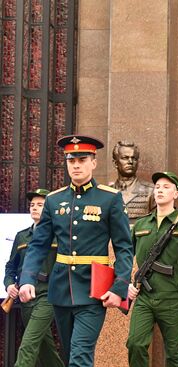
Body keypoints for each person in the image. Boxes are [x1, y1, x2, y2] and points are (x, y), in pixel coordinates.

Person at [18, 135, 134, 367]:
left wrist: (119, 287)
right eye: (72, 161)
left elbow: (123, 247)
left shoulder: (109, 199)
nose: (77, 165)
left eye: (82, 159)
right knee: (72, 353)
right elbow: (39, 245)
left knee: (80, 354)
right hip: (61, 289)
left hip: (94, 291)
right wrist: (27, 279)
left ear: (94, 162)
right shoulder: (53, 200)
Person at [126, 171, 178, 367]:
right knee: (135, 344)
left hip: (173, 298)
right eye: (157, 186)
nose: (160, 190)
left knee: (176, 354)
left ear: (176, 194)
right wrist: (126, 283)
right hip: (145, 297)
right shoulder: (142, 224)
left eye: (166, 187)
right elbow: (125, 255)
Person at [3, 189, 64, 367]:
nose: (34, 208)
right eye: (32, 205)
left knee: (28, 345)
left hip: (48, 296)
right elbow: (10, 267)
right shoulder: (22, 236)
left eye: (40, 205)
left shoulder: (59, 235)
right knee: (46, 350)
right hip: (25, 299)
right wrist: (9, 285)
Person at [110, 140, 154, 222]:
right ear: (115, 163)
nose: (130, 162)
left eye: (134, 158)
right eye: (125, 158)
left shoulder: (151, 191)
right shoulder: (106, 192)